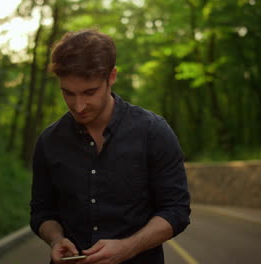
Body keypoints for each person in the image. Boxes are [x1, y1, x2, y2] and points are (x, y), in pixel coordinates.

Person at [29, 29, 191, 264]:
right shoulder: (48, 141)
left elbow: (176, 210)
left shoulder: (152, 132)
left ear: (111, 76)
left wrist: (129, 247)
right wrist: (56, 239)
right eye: (68, 93)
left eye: (89, 92)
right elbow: (42, 212)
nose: (79, 105)